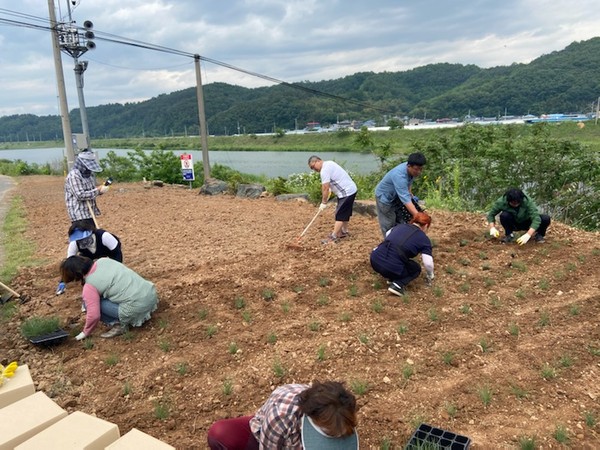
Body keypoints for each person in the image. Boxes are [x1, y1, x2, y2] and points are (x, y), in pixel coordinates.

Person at [207, 380, 359, 449]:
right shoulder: (280, 417)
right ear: (311, 418)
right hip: (270, 436)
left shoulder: (339, 409)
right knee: (220, 434)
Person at [59, 255, 158, 339]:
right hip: (150, 294)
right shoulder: (104, 260)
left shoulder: (89, 286)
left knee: (90, 304)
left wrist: (85, 332)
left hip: (136, 308)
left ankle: (118, 324)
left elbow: (94, 316)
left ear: (77, 276)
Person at [370, 212, 434, 296]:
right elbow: (428, 263)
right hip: (391, 266)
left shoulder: (400, 226)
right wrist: (430, 275)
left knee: (399, 259)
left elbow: (387, 234)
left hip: (375, 259)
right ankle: (397, 285)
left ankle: (391, 277)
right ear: (426, 225)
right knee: (415, 269)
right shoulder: (424, 239)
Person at [56, 222, 123, 295]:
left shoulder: (105, 236)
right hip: (88, 255)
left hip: (108, 251)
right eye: (79, 240)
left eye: (84, 238)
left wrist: (116, 271)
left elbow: (117, 254)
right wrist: (63, 281)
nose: (82, 242)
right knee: (83, 266)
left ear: (91, 233)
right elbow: (70, 262)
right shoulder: (74, 244)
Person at [374, 152, 426, 237]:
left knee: (401, 221)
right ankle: (389, 244)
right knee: (389, 223)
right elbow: (405, 199)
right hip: (385, 198)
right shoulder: (399, 176)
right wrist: (418, 216)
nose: (419, 172)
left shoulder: (411, 170)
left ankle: (400, 241)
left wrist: (411, 195)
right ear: (409, 166)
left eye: (421, 169)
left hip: (396, 197)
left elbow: (408, 185)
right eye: (417, 169)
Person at [308, 156, 358, 244]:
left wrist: (323, 202)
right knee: (345, 212)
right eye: (312, 168)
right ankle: (344, 232)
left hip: (345, 192)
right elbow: (333, 180)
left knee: (340, 214)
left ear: (318, 161)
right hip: (351, 189)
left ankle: (333, 237)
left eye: (313, 166)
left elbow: (325, 188)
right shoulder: (329, 163)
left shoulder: (324, 170)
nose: (314, 169)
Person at [486, 188, 551, 244]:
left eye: (517, 202)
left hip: (527, 222)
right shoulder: (501, 202)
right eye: (513, 203)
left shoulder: (528, 202)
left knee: (545, 218)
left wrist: (528, 234)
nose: (515, 204)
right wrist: (492, 228)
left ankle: (539, 235)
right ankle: (509, 235)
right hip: (513, 223)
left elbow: (536, 219)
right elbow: (491, 214)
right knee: (504, 215)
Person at [65, 149, 110, 229]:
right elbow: (80, 195)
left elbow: (91, 192)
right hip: (79, 215)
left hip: (89, 213)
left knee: (94, 237)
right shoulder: (74, 175)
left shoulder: (88, 175)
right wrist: (98, 190)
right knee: (87, 239)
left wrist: (101, 190)